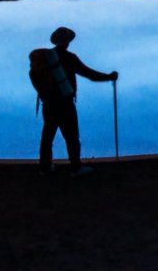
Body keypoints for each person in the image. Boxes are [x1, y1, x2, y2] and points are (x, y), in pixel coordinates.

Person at [28, 26, 117, 177]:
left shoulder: (44, 58)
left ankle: (45, 167)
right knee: (71, 137)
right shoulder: (70, 58)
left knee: (47, 136)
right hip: (65, 104)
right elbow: (89, 74)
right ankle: (76, 168)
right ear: (68, 42)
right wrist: (109, 77)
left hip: (48, 103)